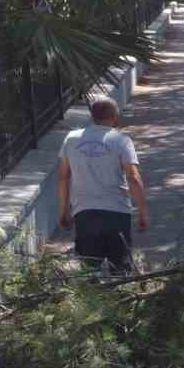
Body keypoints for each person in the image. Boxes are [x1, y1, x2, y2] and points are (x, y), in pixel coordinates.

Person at [57, 98, 149, 273]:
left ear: (93, 117)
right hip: (117, 213)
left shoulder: (71, 139)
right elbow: (134, 178)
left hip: (84, 213)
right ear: (114, 117)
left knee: (89, 271)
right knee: (120, 269)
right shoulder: (121, 140)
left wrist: (63, 212)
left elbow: (63, 177)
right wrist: (143, 213)